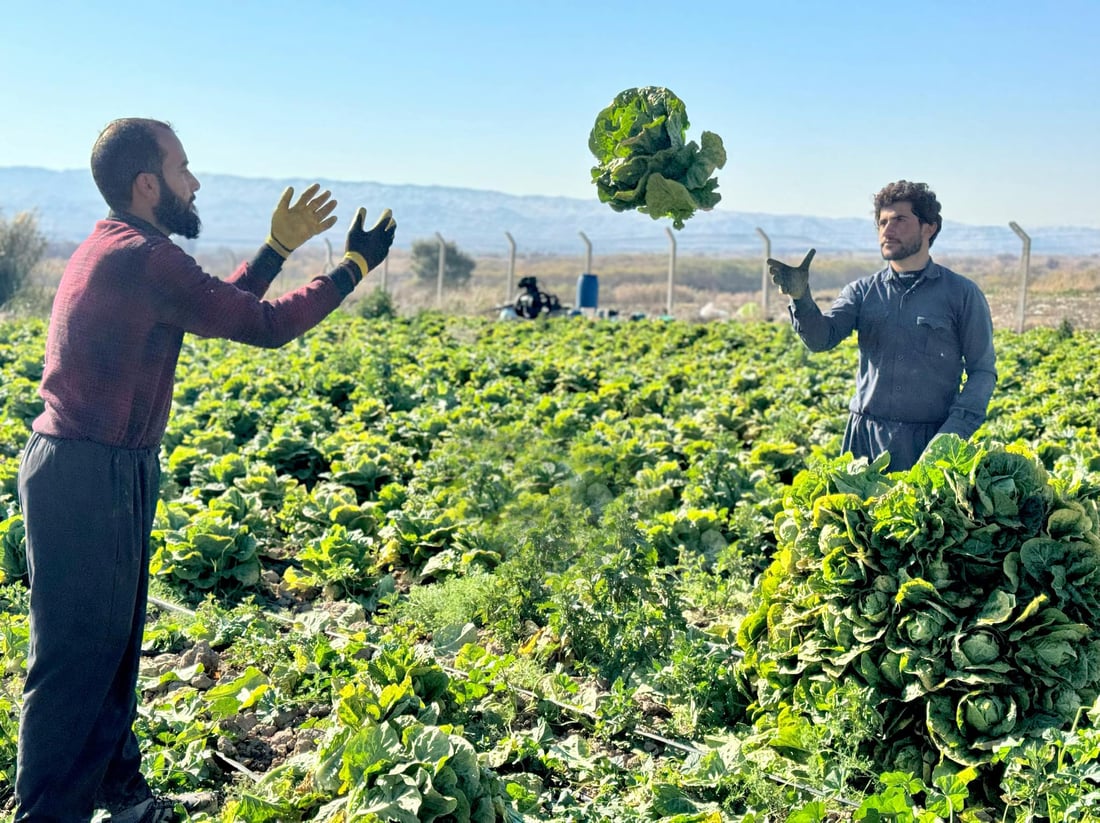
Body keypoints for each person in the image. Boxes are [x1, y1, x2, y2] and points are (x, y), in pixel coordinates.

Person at [14, 117, 396, 823]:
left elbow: (220, 305)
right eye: (184, 169)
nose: (195, 183)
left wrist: (277, 248)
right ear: (147, 184)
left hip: (111, 466)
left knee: (115, 647)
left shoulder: (132, 249)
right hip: (85, 472)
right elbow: (264, 325)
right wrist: (351, 269)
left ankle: (118, 795)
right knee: (72, 662)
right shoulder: (142, 256)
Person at [767, 180, 997, 473]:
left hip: (930, 444)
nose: (887, 230)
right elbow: (821, 339)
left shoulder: (962, 294)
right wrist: (801, 299)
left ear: (930, 228)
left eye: (900, 220)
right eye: (882, 222)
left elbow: (982, 371)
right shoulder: (862, 292)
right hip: (864, 444)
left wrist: (952, 436)